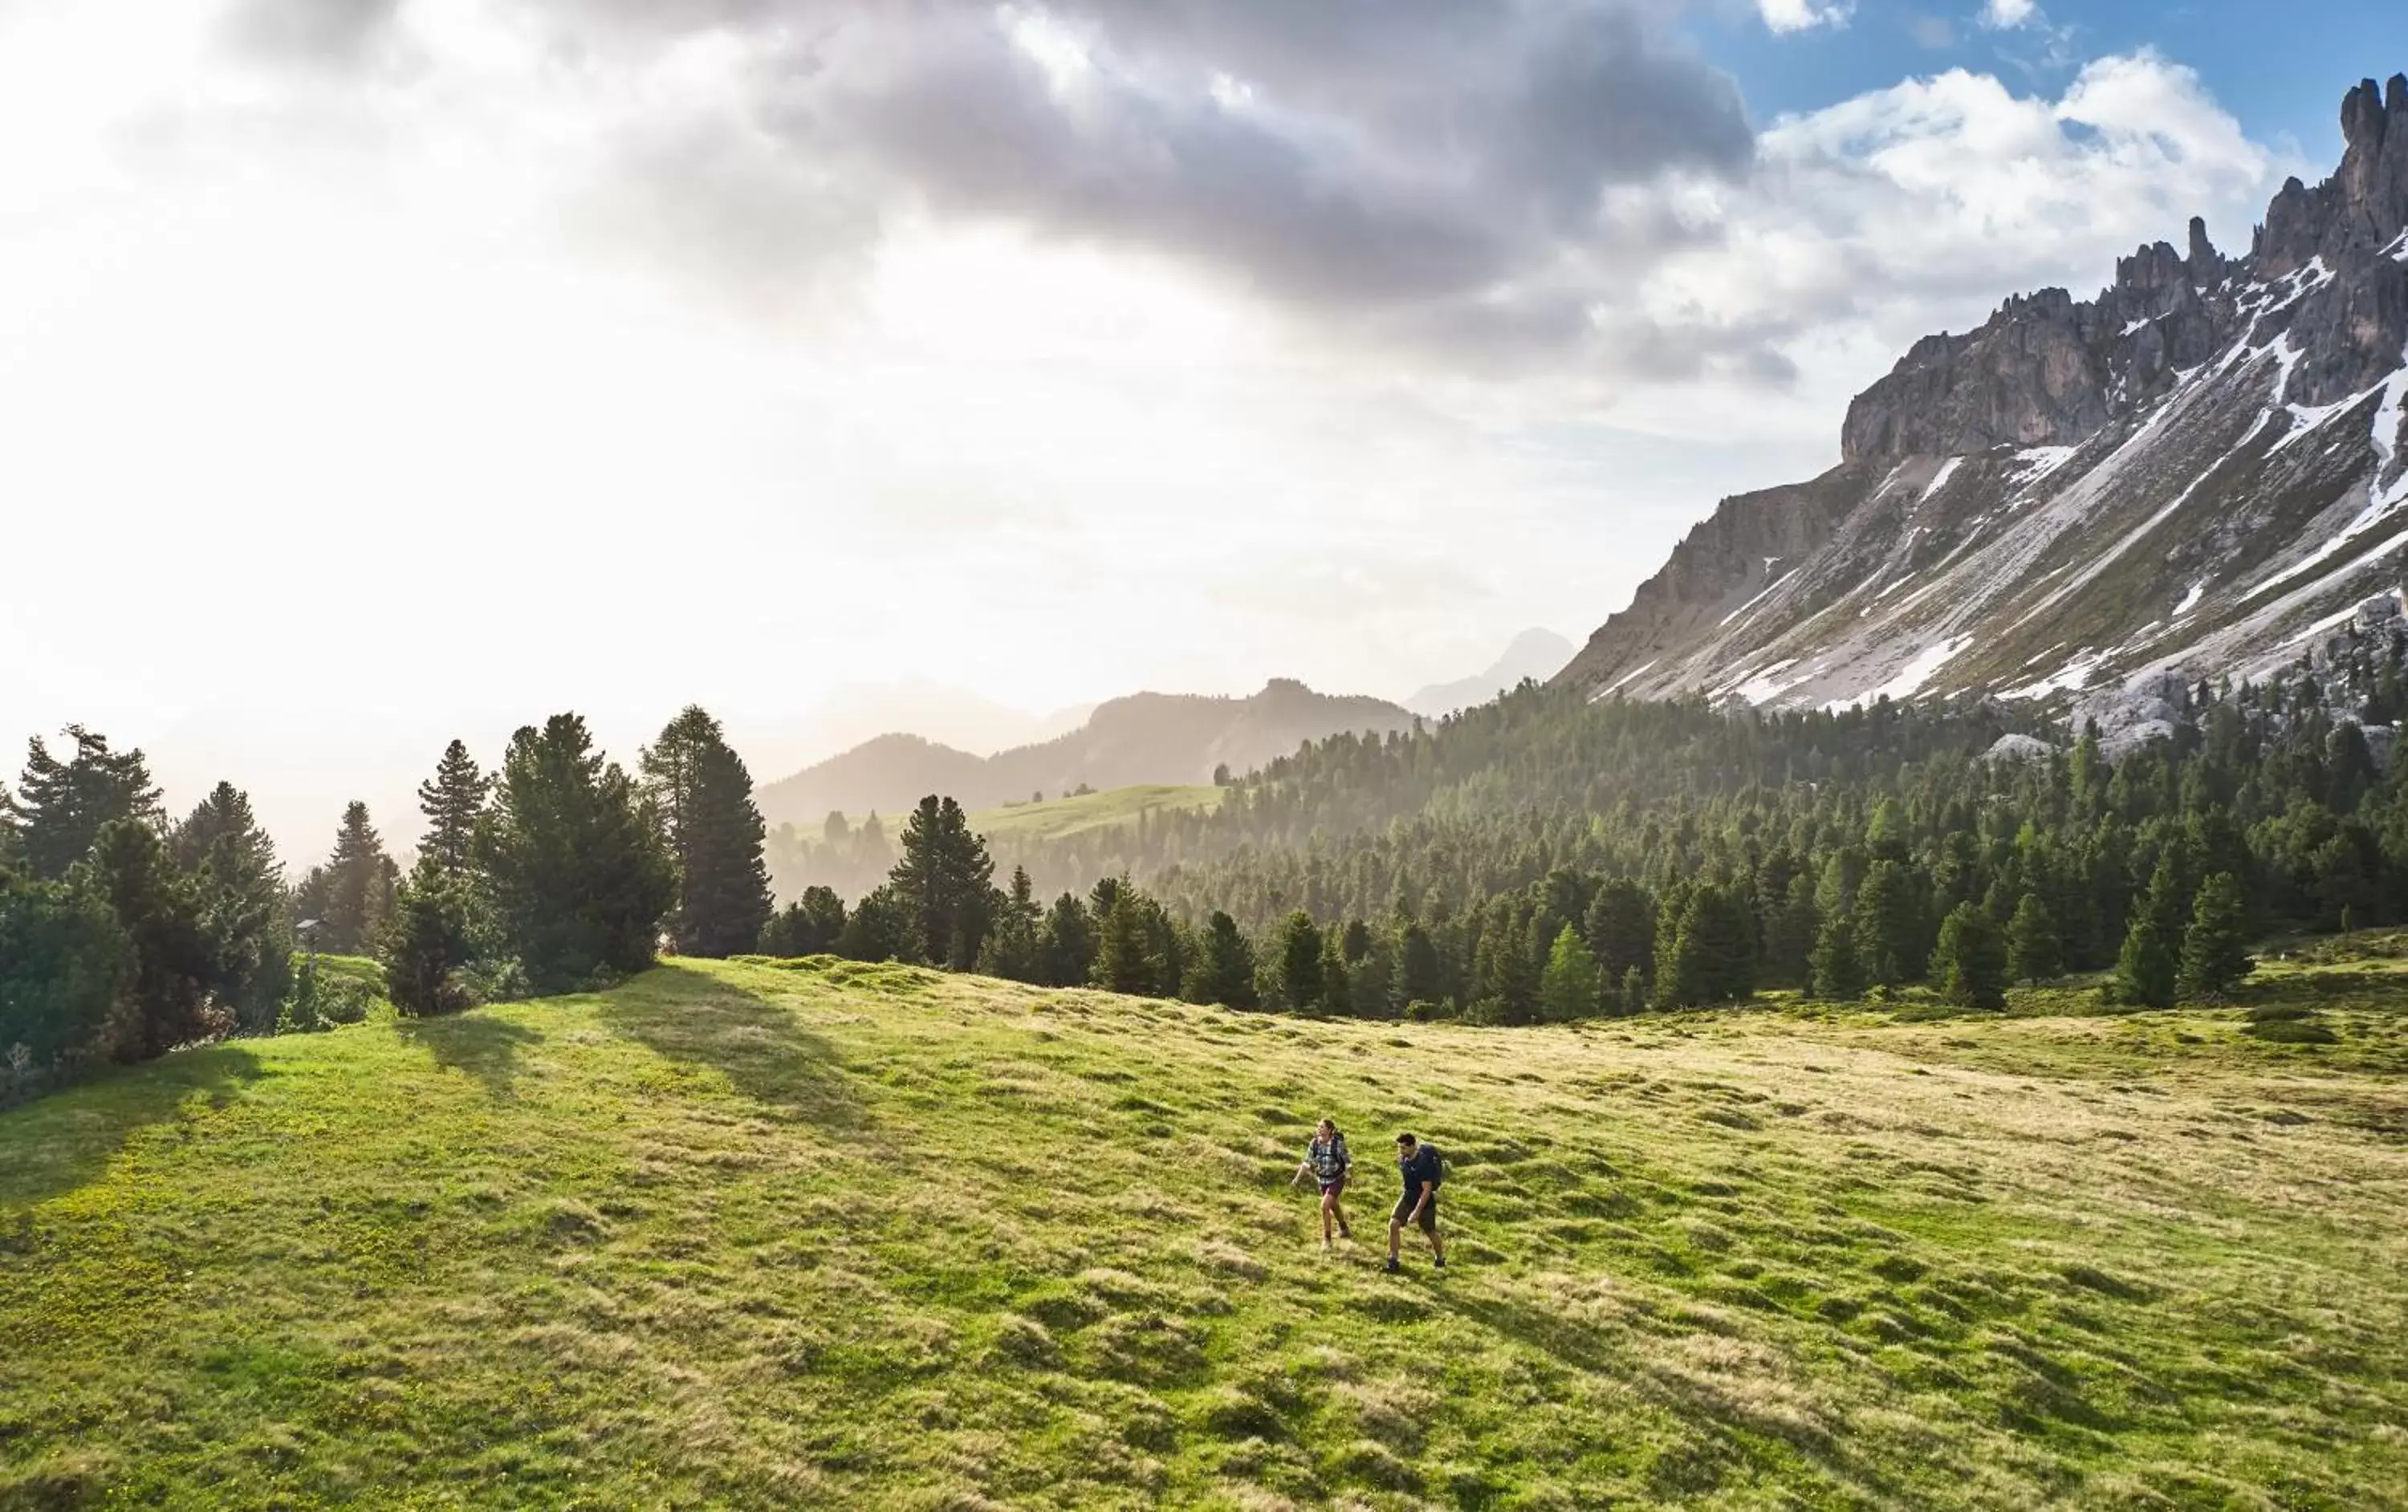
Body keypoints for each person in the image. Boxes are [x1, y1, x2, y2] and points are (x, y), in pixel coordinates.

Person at [1385, 1132, 1444, 1274]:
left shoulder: (1423, 1164)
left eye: (1404, 1148)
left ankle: (1440, 1259)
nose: (1401, 1151)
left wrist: (1417, 1212)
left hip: (1424, 1201)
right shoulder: (1403, 1159)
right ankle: (1394, 1260)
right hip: (1408, 1196)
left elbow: (1427, 1190)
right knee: (1393, 1224)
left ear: (1413, 1146)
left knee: (1430, 1232)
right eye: (1399, 1147)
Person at [1290, 1118, 1352, 1247]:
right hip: (1322, 1180)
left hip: (1337, 1179)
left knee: (1325, 1206)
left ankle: (1327, 1240)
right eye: (1318, 1127)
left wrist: (1350, 1177)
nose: (1319, 1129)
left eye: (1322, 1127)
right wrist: (1297, 1179)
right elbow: (1306, 1163)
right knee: (1334, 1204)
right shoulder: (1314, 1144)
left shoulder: (1337, 1144)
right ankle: (1344, 1229)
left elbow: (1347, 1162)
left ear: (1329, 1130)